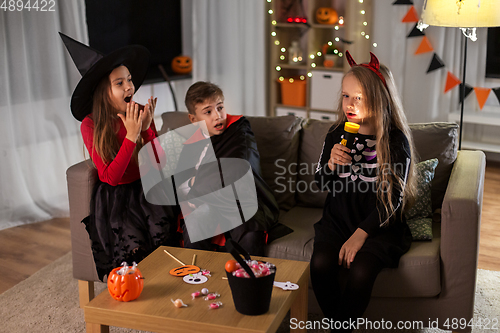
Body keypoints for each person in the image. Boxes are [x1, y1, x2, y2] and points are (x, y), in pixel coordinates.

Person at [311, 51, 416, 331]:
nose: (350, 103)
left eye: (359, 97)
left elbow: (394, 199)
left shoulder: (395, 141)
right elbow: (322, 184)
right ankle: (338, 326)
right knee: (320, 264)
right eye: (346, 95)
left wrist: (361, 235)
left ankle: (340, 327)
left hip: (378, 226)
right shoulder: (336, 134)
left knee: (361, 271)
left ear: (379, 99)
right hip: (338, 220)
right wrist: (331, 165)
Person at [60, 33, 178, 281]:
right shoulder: (90, 124)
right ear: (104, 91)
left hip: (147, 190)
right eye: (119, 83)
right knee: (133, 249)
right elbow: (110, 177)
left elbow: (159, 166)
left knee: (168, 239)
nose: (129, 87)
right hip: (117, 199)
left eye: (130, 80)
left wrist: (147, 129)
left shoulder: (137, 113)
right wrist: (131, 137)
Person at [174, 81, 288, 255]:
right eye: (208, 112)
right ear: (193, 119)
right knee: (195, 223)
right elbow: (181, 183)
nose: (218, 115)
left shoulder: (238, 129)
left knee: (250, 230)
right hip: (209, 204)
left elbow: (235, 167)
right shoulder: (191, 143)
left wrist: (195, 185)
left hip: (240, 199)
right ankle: (199, 276)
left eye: (220, 107)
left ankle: (246, 279)